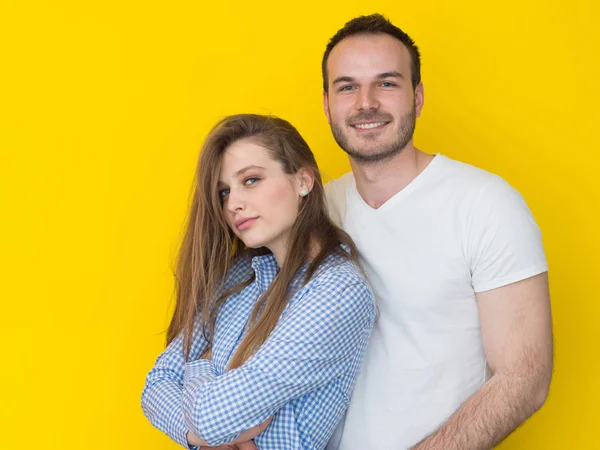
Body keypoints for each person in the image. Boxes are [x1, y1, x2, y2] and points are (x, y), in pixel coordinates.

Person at [322, 14, 553, 450]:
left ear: (418, 96)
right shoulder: (313, 212)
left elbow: (524, 377)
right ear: (327, 103)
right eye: (347, 86)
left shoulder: (485, 204)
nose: (365, 102)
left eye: (387, 83)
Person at [141, 114, 375, 450]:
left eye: (251, 180)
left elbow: (211, 417)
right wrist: (200, 437)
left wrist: (200, 365)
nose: (233, 203)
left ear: (303, 181)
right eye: (223, 192)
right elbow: (156, 386)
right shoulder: (238, 276)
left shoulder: (337, 292)